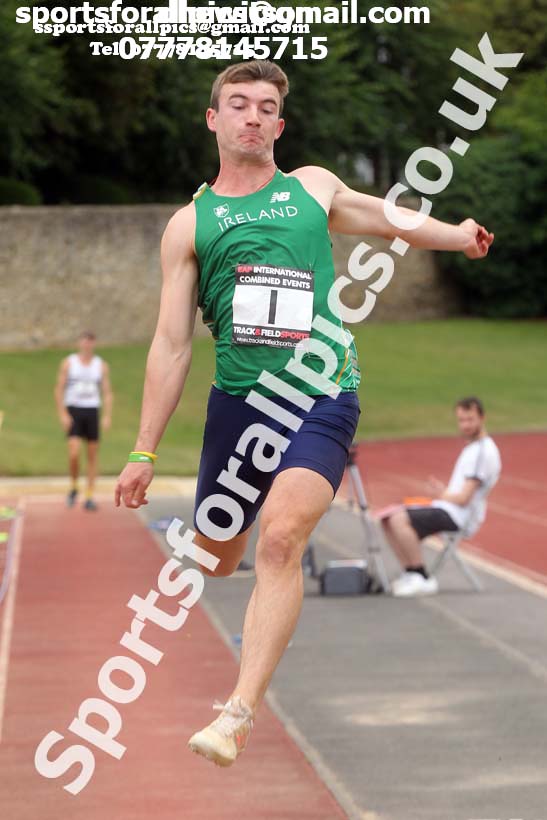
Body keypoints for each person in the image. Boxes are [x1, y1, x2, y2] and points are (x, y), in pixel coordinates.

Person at [114, 60, 494, 767]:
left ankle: (236, 713)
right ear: (214, 119)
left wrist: (455, 231)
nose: (252, 116)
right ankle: (199, 539)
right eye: (238, 104)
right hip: (237, 408)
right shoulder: (188, 225)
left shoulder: (311, 189)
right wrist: (142, 450)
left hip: (319, 395)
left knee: (281, 540)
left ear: (279, 126)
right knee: (219, 556)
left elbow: (387, 217)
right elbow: (170, 346)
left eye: (265, 107)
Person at [380, 396, 501, 597]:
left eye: (470, 419)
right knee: (387, 518)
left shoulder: (483, 452)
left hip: (458, 516)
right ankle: (411, 573)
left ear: (482, 417)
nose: (465, 425)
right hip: (447, 508)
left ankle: (421, 576)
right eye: (461, 420)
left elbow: (464, 499)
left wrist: (440, 493)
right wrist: (442, 492)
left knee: (398, 519)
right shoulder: (473, 448)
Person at [54, 330, 113, 510]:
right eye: (84, 341)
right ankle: (73, 487)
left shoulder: (100, 365)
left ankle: (89, 495)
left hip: (92, 410)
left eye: (90, 341)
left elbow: (107, 392)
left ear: (93, 344)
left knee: (92, 455)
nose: (87, 345)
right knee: (74, 452)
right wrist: (63, 414)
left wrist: (107, 416)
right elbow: (58, 389)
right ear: (80, 343)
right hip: (74, 409)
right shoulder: (68, 363)